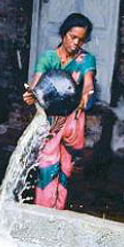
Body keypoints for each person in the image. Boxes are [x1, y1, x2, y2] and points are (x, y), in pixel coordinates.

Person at [23, 13, 96, 210]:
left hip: (73, 120)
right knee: (48, 165)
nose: (76, 43)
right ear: (64, 34)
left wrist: (87, 94)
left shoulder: (86, 60)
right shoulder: (48, 58)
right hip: (52, 120)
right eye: (73, 37)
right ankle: (44, 210)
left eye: (81, 39)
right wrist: (31, 95)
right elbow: (36, 84)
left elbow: (88, 81)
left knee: (65, 167)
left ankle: (58, 211)